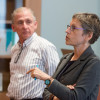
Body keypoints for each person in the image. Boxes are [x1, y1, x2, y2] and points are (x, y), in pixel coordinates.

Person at [27, 13, 100, 100]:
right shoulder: (65, 58)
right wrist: (56, 97)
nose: (67, 30)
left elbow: (75, 97)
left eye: (73, 28)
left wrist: (46, 78)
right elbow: (46, 90)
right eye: (69, 26)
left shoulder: (93, 63)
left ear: (89, 35)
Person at [7, 7, 60, 100]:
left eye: (28, 22)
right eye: (20, 22)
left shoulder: (46, 47)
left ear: (35, 24)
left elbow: (56, 80)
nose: (24, 26)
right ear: (13, 27)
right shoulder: (14, 49)